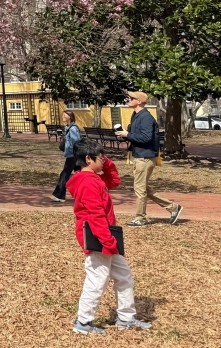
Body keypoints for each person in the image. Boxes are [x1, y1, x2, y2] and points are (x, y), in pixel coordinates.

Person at [67, 139, 151, 334]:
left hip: (107, 238)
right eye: (100, 158)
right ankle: (83, 322)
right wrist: (107, 241)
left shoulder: (94, 178)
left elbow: (114, 181)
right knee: (97, 278)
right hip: (99, 238)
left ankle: (126, 318)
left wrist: (106, 161)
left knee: (123, 276)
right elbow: (95, 215)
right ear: (88, 159)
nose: (103, 161)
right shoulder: (87, 182)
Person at [115, 91, 183, 227]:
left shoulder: (145, 117)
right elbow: (136, 135)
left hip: (145, 157)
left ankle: (140, 218)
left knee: (139, 189)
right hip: (139, 155)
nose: (128, 99)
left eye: (131, 98)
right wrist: (125, 135)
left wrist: (128, 134)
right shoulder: (136, 115)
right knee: (143, 188)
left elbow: (146, 138)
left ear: (139, 101)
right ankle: (173, 207)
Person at [50, 111, 82, 202]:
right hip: (73, 155)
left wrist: (76, 155)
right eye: (63, 115)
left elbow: (76, 142)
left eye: (65, 115)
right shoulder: (68, 128)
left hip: (73, 155)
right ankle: (82, 194)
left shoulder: (73, 129)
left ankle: (59, 195)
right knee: (79, 175)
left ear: (70, 117)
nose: (63, 116)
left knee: (64, 174)